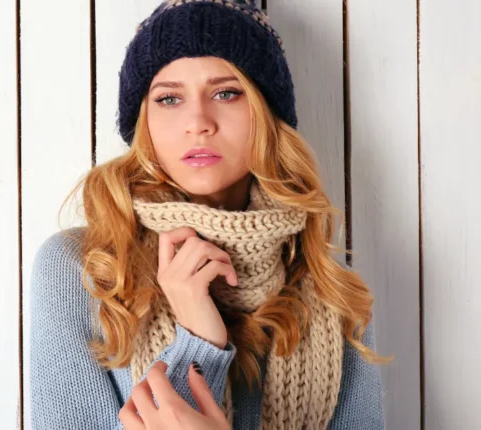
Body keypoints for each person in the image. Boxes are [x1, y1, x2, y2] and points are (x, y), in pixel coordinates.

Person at [29, 0, 390, 428]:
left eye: (226, 92)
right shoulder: (85, 269)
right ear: (144, 123)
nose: (198, 121)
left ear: (265, 114)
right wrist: (199, 342)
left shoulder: (330, 285)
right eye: (169, 98)